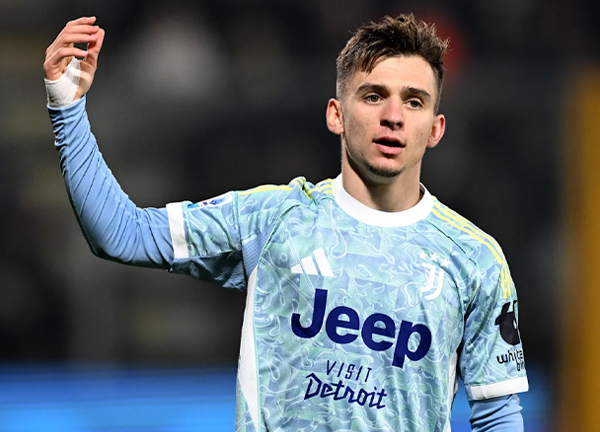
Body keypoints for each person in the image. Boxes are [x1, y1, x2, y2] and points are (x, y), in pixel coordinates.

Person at [44, 14, 528, 432]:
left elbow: (497, 413)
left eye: (415, 101)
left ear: (436, 128)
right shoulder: (274, 219)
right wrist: (67, 107)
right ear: (336, 115)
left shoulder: (474, 259)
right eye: (373, 96)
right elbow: (122, 234)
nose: (394, 116)